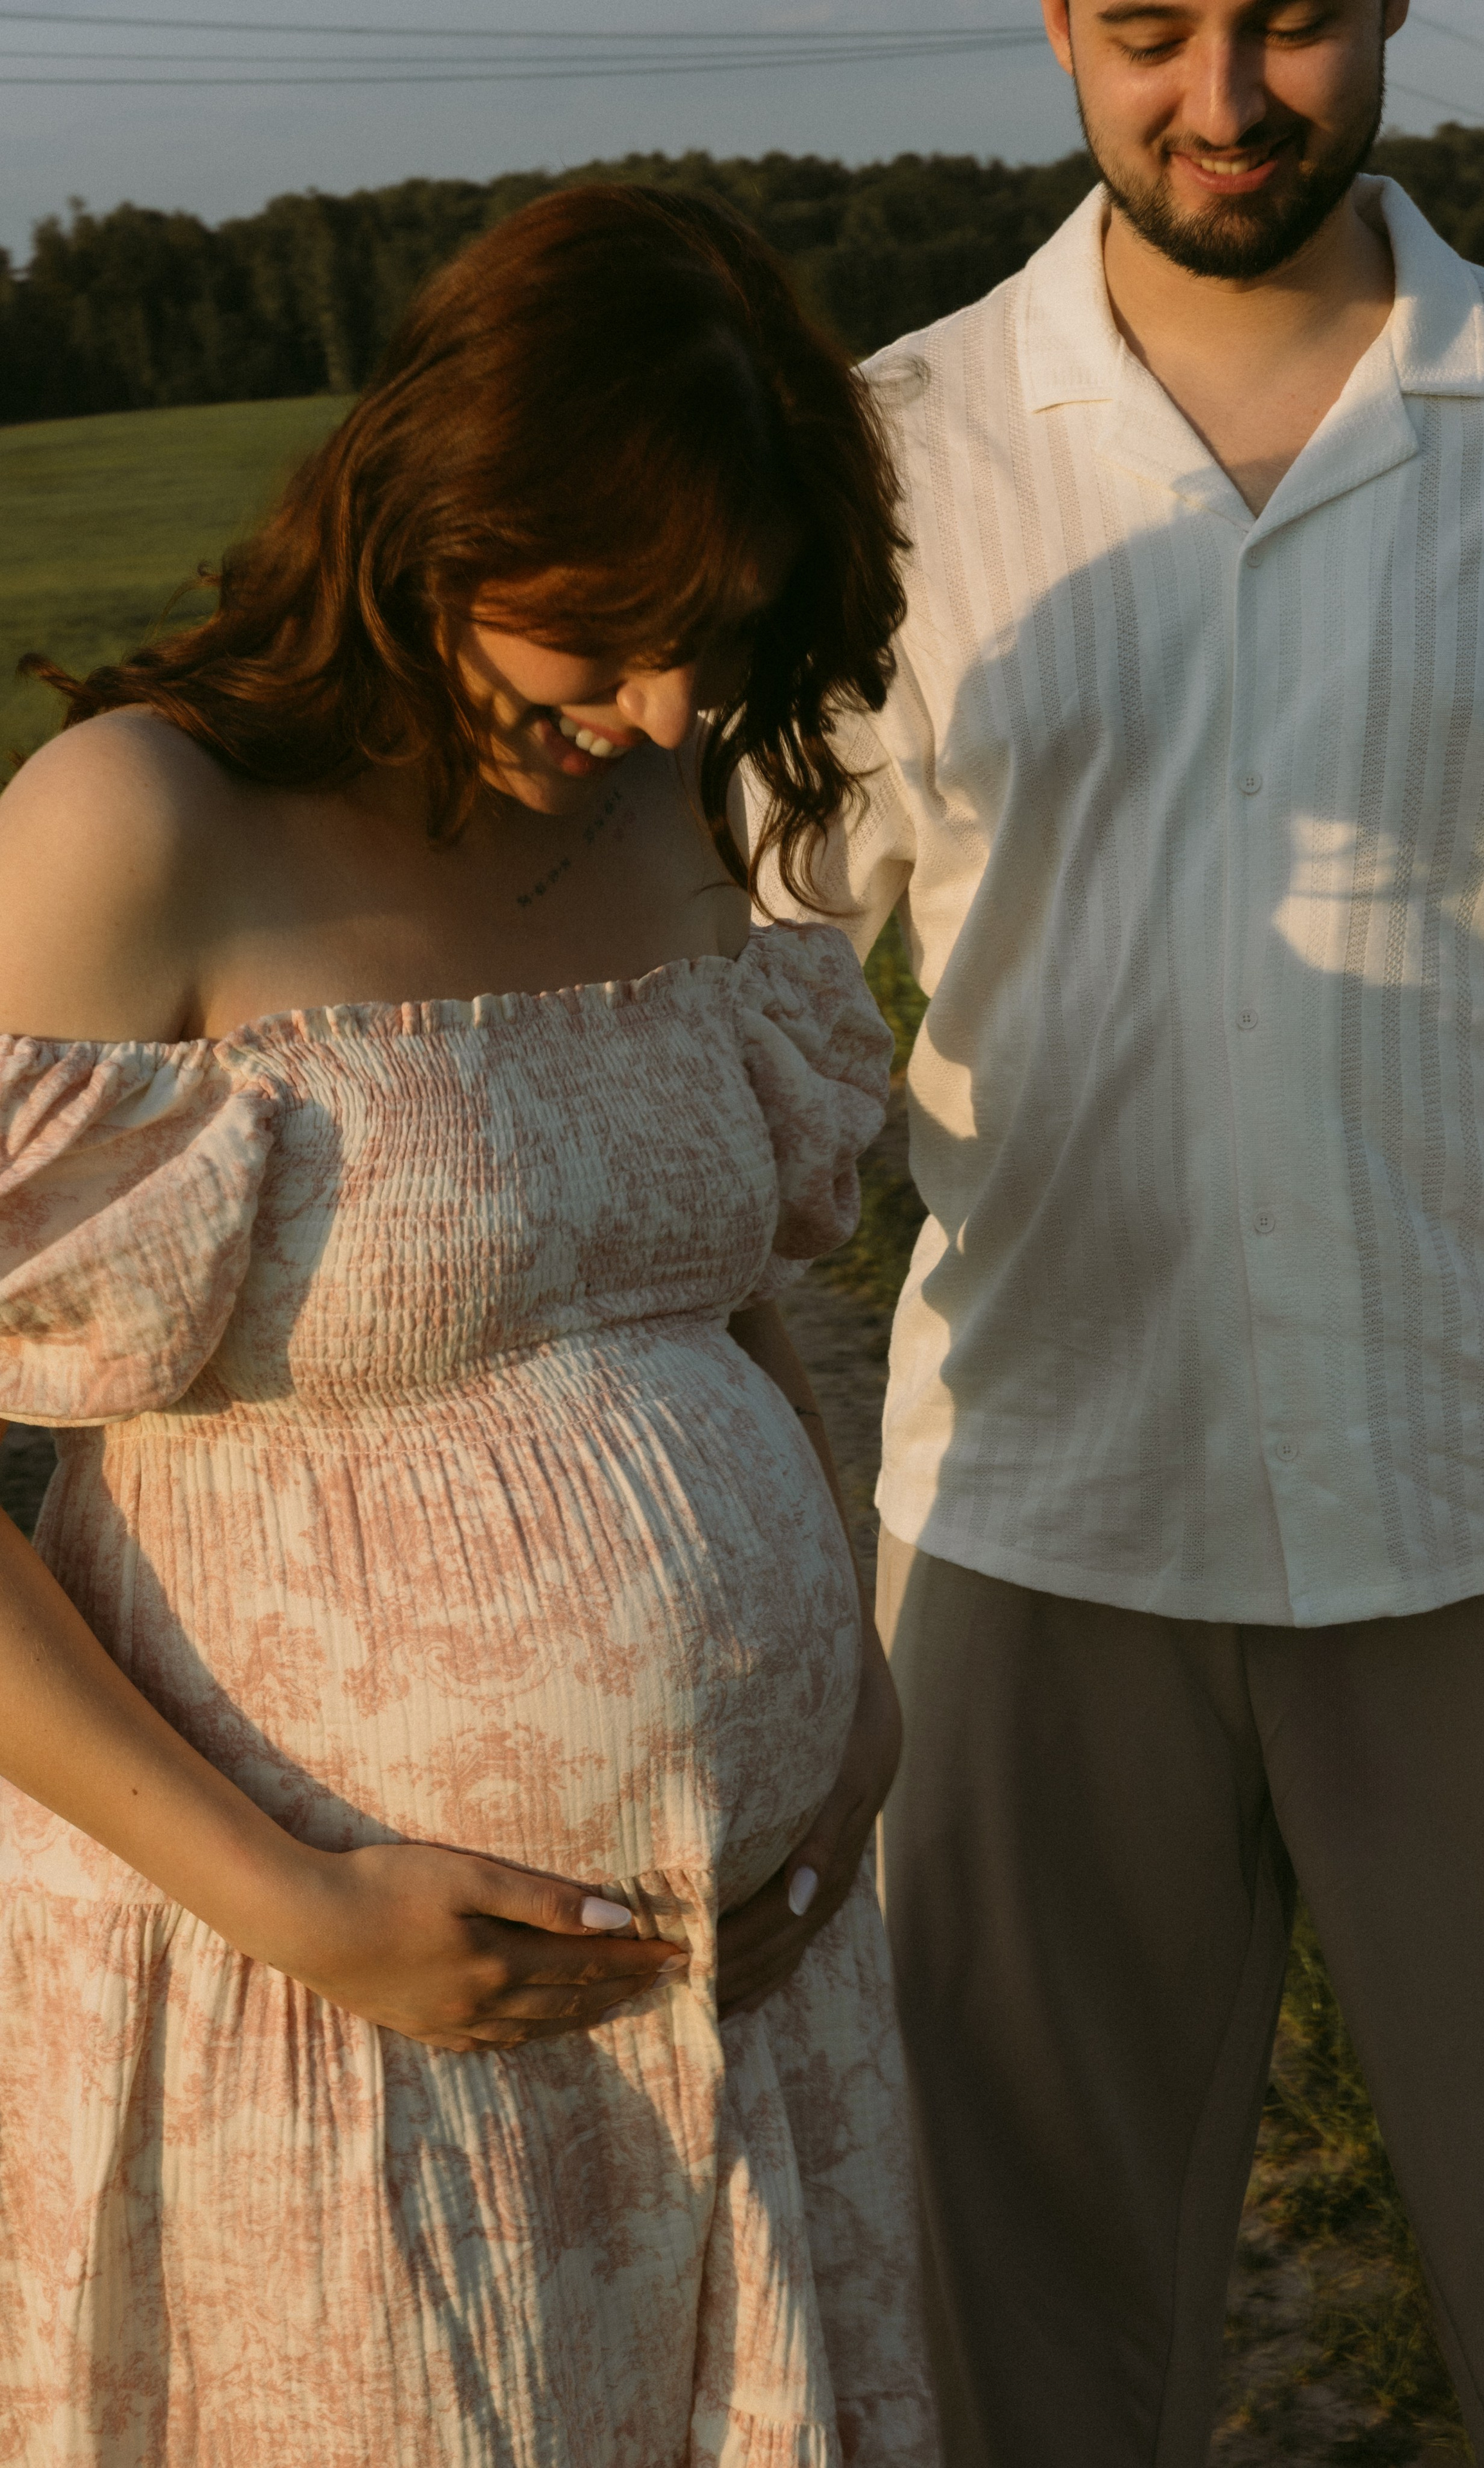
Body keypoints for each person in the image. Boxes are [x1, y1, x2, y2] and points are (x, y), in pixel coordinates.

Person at [758, 2, 1484, 2462]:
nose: (1224, 100)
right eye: (1149, 29)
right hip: (1043, 1509)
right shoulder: (891, 451)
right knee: (1013, 2340)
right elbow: (753, 1005)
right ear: (1058, 23)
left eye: (1290, 22)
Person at [0, 184, 937, 2467]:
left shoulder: (662, 806)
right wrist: (307, 1909)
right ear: (439, 509)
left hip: (748, 2004)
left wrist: (849, 1719)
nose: (666, 708)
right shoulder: (150, 830)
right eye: (605, 636)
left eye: (720, 644)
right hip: (319, 2020)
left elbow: (727, 1307)